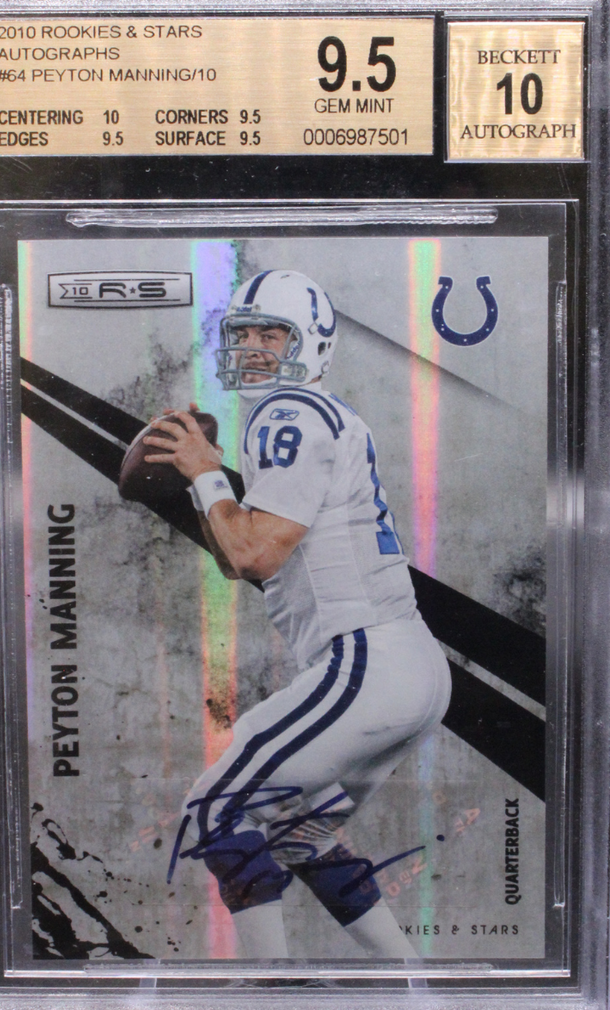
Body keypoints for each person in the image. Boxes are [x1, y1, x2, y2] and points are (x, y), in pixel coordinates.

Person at [143, 270, 451, 959]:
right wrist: (202, 483)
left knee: (215, 809)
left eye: (272, 333)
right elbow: (236, 559)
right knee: (297, 834)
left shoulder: (291, 413)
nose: (253, 346)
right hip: (406, 667)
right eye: (244, 332)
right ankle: (411, 984)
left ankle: (269, 989)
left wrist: (205, 472)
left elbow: (254, 556)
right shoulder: (311, 415)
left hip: (366, 662)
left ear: (310, 343)